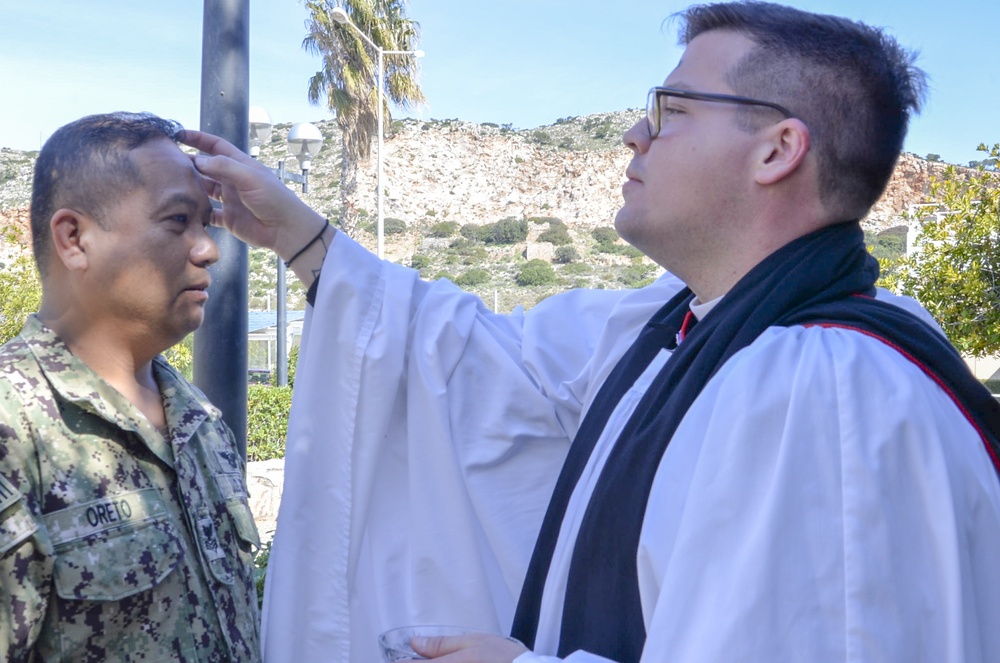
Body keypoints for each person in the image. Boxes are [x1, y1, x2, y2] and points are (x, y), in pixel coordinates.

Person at [182, 2, 1000, 661]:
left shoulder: (823, 388)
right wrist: (304, 239)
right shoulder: (679, 326)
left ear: (777, 149)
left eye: (671, 110)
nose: (633, 133)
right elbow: (478, 359)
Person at [0, 113, 262, 661]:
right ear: (74, 239)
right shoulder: (13, 424)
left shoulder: (200, 422)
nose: (209, 249)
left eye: (205, 223)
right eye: (177, 221)